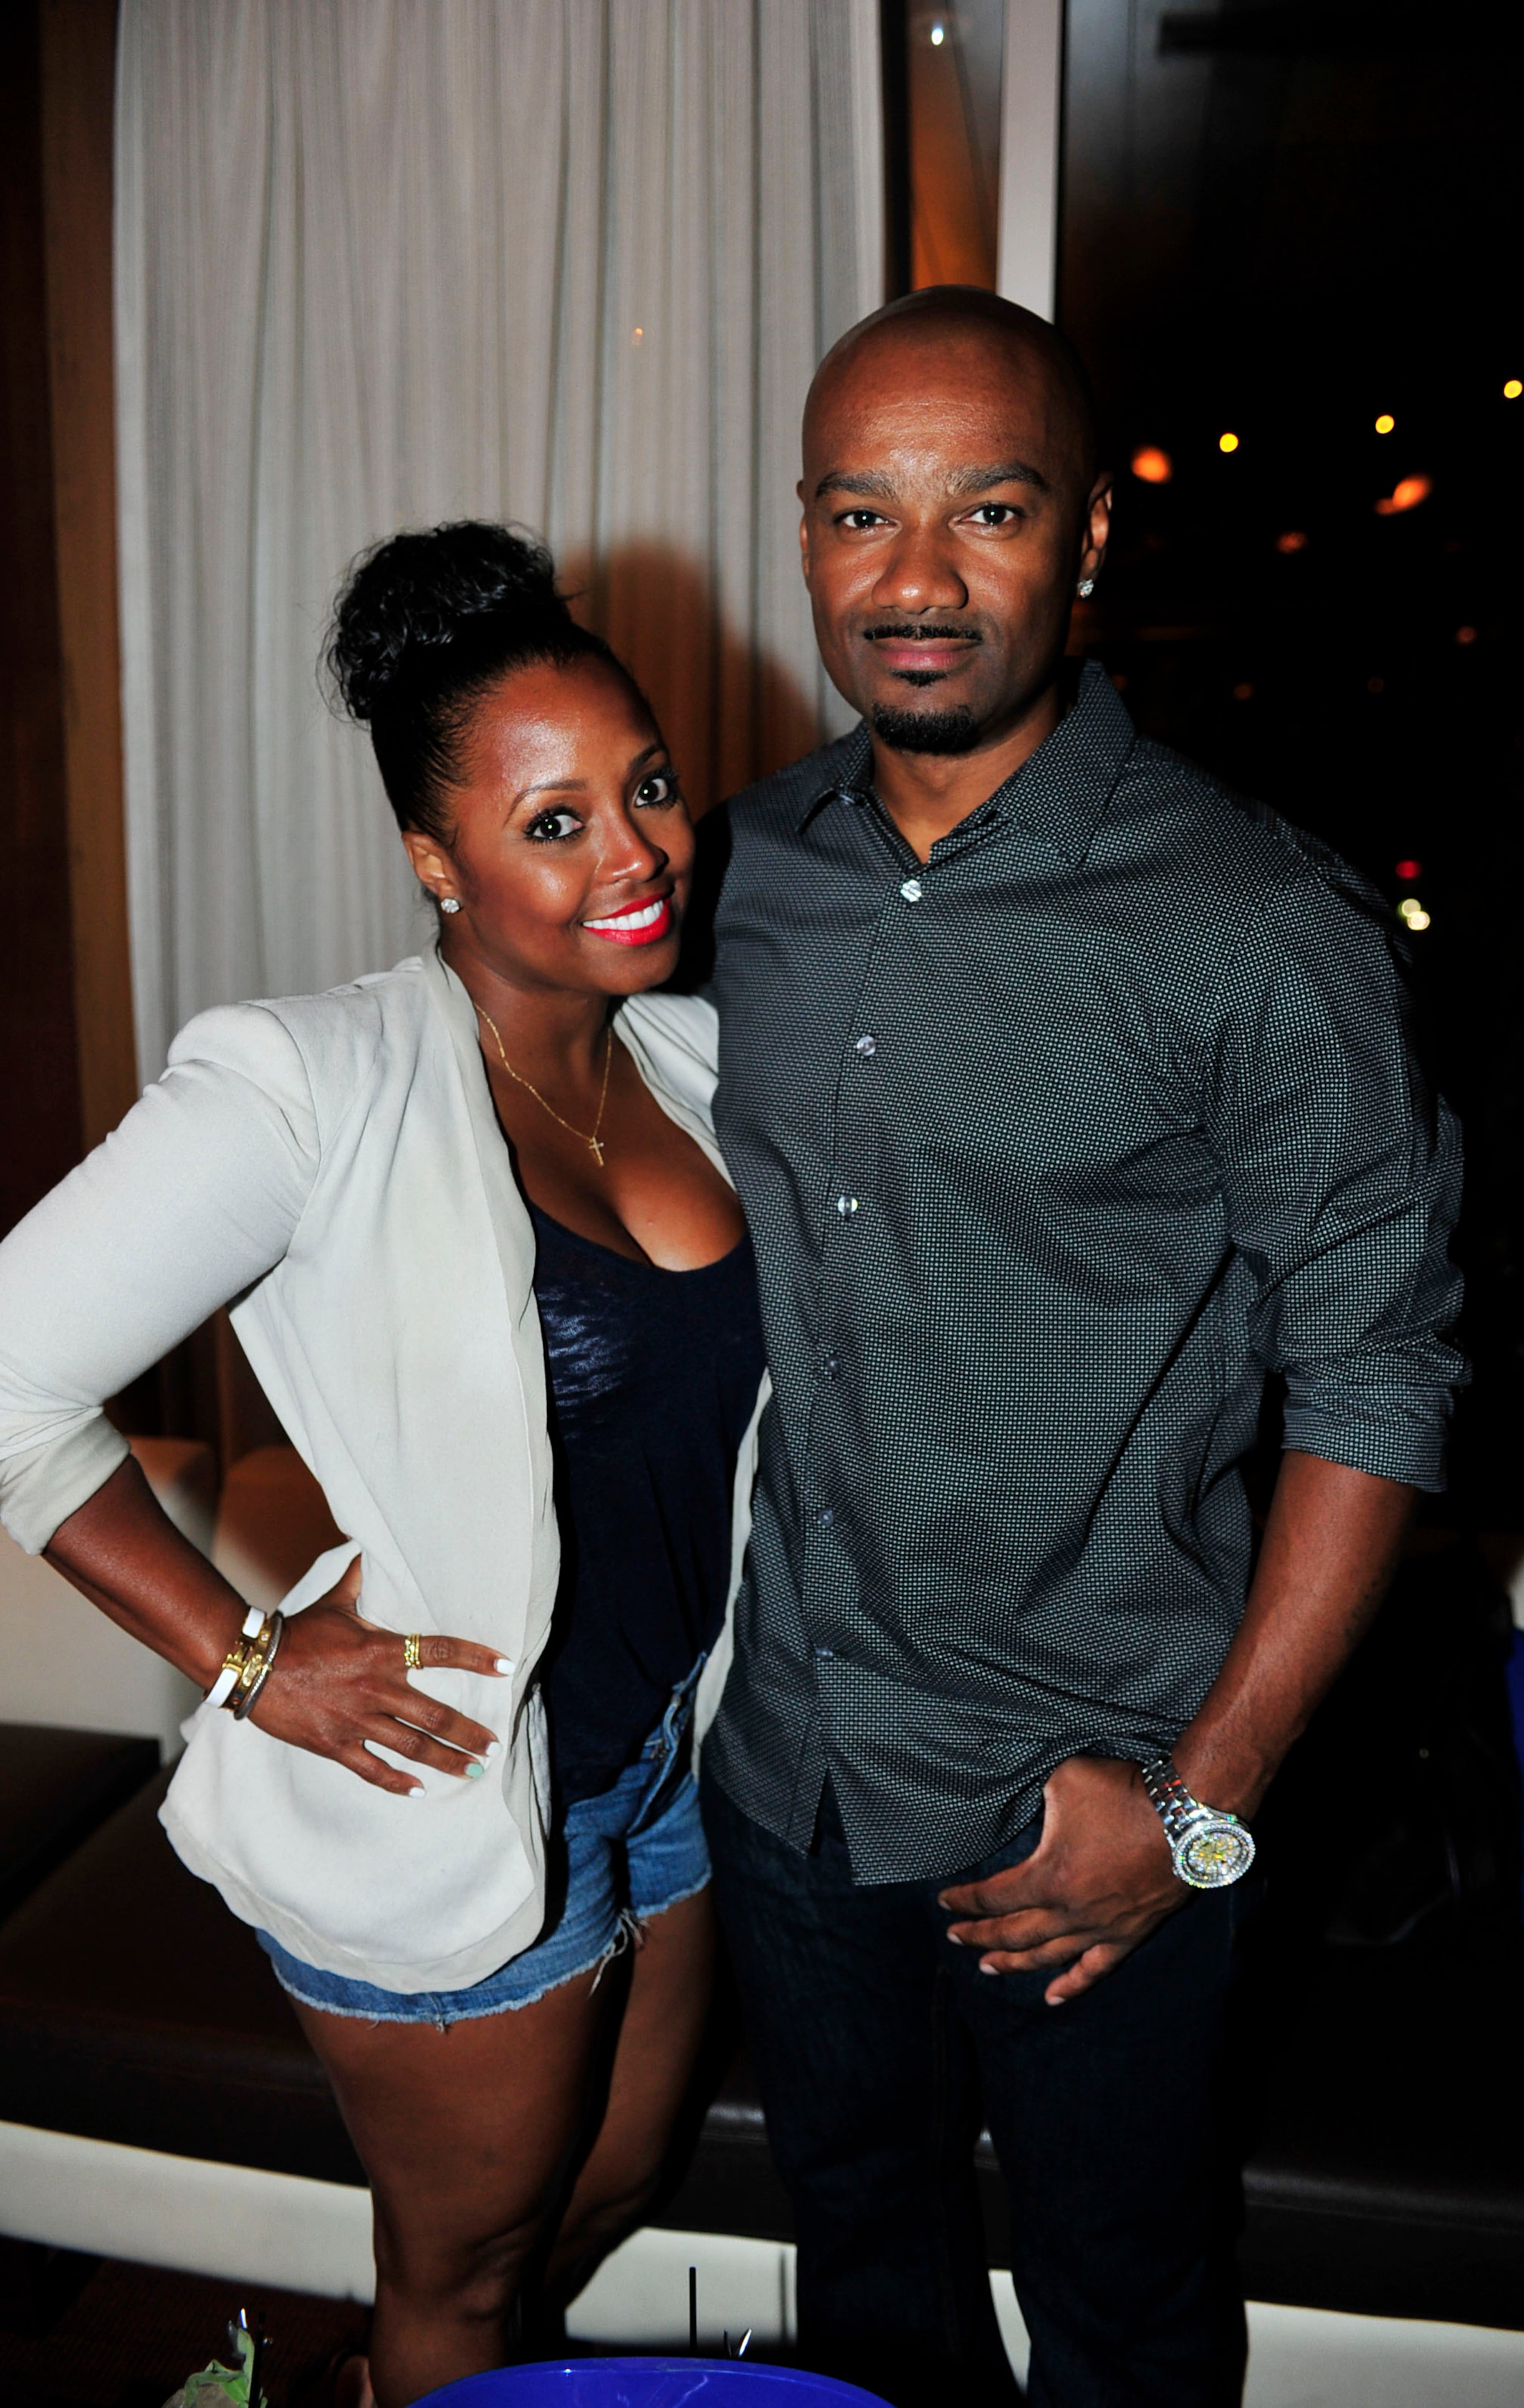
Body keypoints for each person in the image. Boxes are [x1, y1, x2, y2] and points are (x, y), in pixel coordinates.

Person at [697, 287, 1466, 2408]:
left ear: (1091, 542)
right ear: (803, 534)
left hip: (1092, 1807)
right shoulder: (740, 870)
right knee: (861, 2274)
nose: (916, 577)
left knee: (1122, 2317)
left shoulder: (1253, 922)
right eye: (862, 512)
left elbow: (1380, 1376)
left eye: (988, 510)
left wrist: (1202, 1809)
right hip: (792, 1774)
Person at [0, 525, 766, 2408]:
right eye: (555, 819)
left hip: (666, 1761)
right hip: (444, 1789)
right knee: (462, 2263)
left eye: (647, 786)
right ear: (436, 861)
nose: (639, 850)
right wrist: (250, 1653)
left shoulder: (695, 1060)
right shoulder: (305, 1079)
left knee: (616, 2183)